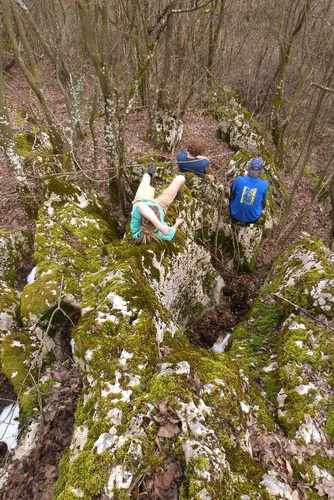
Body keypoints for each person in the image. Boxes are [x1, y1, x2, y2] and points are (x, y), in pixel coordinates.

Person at [130, 163, 185, 244]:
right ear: (159, 220)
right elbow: (170, 234)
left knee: (145, 179)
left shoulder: (136, 228)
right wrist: (176, 224)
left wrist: (160, 226)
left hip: (142, 200)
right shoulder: (161, 232)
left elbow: (141, 205)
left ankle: (149, 174)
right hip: (161, 205)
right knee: (181, 178)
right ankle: (179, 192)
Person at [229, 158, 268, 224]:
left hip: (234, 215)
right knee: (263, 201)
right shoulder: (264, 184)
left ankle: (237, 207)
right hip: (253, 218)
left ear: (249, 169)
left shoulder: (239, 179)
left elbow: (233, 190)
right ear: (260, 172)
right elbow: (263, 198)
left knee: (234, 188)